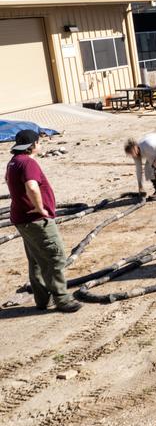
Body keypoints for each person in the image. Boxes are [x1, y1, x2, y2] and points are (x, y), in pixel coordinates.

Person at [4, 130, 82, 312]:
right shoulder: (28, 163)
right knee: (55, 258)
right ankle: (62, 299)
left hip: (22, 219)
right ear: (32, 145)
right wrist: (40, 208)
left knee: (37, 260)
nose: (41, 145)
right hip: (36, 220)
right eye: (39, 142)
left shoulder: (13, 162)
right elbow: (31, 186)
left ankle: (42, 300)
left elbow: (8, 180)